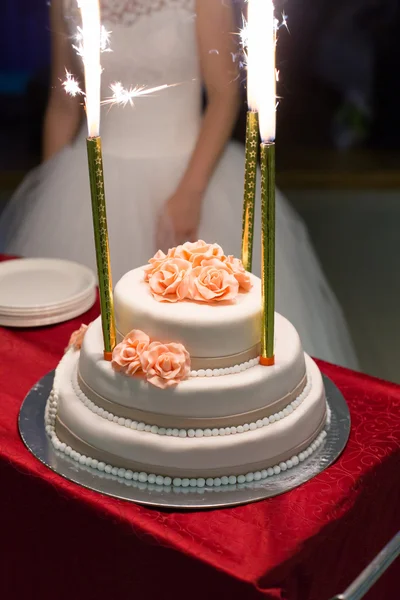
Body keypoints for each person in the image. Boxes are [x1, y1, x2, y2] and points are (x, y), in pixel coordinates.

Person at [0, 0, 359, 369]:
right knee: (79, 348)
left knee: (207, 342)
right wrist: (49, 192)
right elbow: (63, 102)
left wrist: (191, 191)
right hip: (88, 178)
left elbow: (224, 94)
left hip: (190, 170)